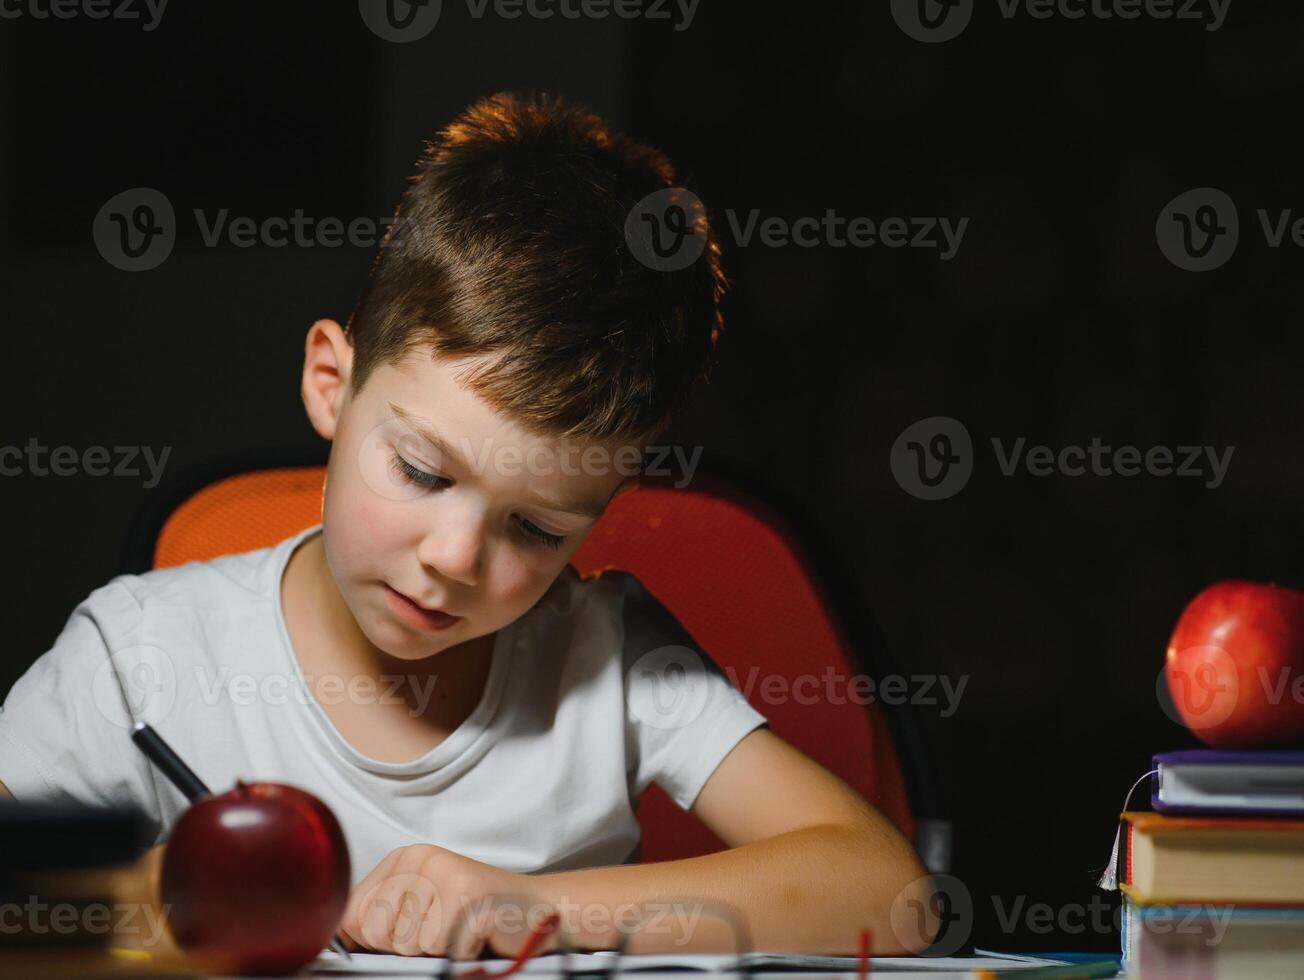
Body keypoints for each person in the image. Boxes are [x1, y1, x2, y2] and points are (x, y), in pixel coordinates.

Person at [0, 92, 933, 959]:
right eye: (420, 470)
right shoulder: (137, 659)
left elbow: (889, 895)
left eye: (534, 530)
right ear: (332, 384)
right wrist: (155, 895)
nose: (453, 559)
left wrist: (537, 908)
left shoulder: (604, 661)